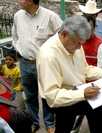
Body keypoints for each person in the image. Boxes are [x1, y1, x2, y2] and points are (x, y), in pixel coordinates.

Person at [37, 15, 102, 133]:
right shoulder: (48, 56)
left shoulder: (75, 43)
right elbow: (53, 97)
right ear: (64, 34)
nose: (80, 47)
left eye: (82, 43)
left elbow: (85, 69)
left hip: (77, 90)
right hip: (59, 98)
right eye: (77, 43)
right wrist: (82, 94)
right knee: (64, 125)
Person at [12, 0, 63, 132]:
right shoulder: (18, 16)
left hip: (45, 64)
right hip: (24, 62)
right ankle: (34, 122)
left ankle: (49, 123)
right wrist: (20, 49)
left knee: (47, 95)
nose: (18, 1)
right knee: (29, 96)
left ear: (31, 1)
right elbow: (15, 36)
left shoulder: (51, 17)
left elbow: (63, 37)